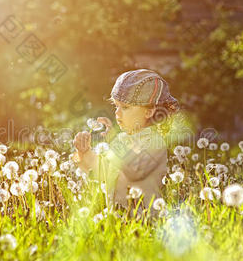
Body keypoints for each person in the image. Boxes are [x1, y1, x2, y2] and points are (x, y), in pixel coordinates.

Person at [71, 69, 181, 216]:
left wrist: (113, 140)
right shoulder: (122, 140)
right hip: (117, 219)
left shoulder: (155, 142)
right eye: (116, 106)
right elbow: (102, 171)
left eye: (125, 107)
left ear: (149, 111)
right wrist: (84, 152)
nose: (117, 112)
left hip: (145, 220)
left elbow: (136, 169)